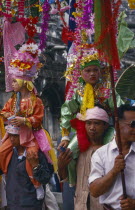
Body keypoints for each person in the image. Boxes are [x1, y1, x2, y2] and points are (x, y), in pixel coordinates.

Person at [0, 43, 57, 200]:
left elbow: (37, 120)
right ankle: (6, 177)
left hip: (30, 135)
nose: (12, 84)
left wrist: (24, 120)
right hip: (13, 134)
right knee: (2, 152)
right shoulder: (13, 98)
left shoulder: (36, 100)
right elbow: (4, 111)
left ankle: (37, 185)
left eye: (15, 82)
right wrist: (9, 115)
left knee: (32, 155)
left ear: (24, 82)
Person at [58, 51, 123, 186]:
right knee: (69, 152)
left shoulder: (107, 89)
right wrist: (65, 136)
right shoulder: (77, 91)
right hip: (83, 130)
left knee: (114, 148)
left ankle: (112, 181)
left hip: (105, 128)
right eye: (88, 70)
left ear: (100, 71)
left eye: (95, 70)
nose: (92, 73)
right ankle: (74, 184)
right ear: (81, 73)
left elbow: (119, 110)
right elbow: (66, 112)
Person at [58, 106, 112, 210]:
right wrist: (61, 166)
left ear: (105, 126)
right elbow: (65, 178)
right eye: (88, 123)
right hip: (80, 204)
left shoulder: (111, 150)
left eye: (97, 123)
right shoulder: (78, 151)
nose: (92, 128)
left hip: (103, 205)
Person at [89, 104, 135, 210]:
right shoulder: (101, 154)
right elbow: (94, 191)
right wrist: (114, 171)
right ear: (117, 125)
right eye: (133, 124)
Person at [0, 124, 53, 210]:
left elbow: (45, 179)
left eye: (15, 136)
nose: (12, 139)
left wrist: (35, 165)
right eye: (10, 135)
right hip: (12, 204)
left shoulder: (36, 154)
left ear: (24, 135)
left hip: (31, 206)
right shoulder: (8, 154)